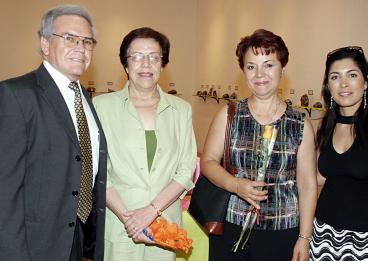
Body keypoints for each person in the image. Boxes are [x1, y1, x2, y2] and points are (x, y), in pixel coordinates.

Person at [0, 4, 107, 261]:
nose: (80, 48)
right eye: (70, 38)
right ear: (45, 44)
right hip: (34, 246)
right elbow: (4, 191)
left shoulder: (85, 99)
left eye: (87, 41)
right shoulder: (16, 94)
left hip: (75, 241)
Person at [200, 29, 318, 261]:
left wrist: (304, 238)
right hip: (232, 225)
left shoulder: (299, 123)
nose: (259, 74)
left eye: (268, 65)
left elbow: (307, 184)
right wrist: (235, 185)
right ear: (243, 71)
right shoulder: (230, 114)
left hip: (283, 231)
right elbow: (208, 162)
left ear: (282, 68)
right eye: (251, 66)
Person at [93, 27, 197, 261]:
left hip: (164, 224)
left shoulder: (181, 110)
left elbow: (185, 168)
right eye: (137, 56)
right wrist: (131, 218)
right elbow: (98, 171)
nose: (146, 64)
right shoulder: (102, 107)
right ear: (125, 64)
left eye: (154, 56)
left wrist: (150, 212)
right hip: (120, 222)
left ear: (163, 64)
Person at [310, 46, 368, 260]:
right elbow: (318, 177)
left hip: (366, 238)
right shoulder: (326, 125)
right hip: (322, 232)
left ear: (366, 81)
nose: (343, 84)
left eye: (352, 75)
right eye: (335, 77)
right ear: (327, 86)